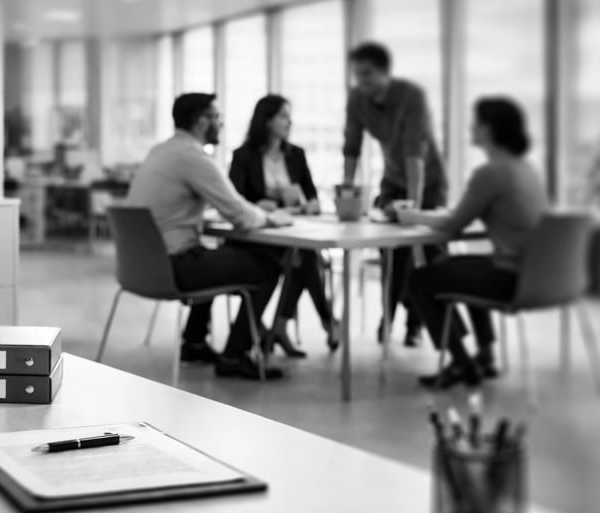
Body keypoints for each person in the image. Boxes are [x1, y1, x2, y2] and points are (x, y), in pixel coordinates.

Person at [126, 93, 289, 380]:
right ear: (202, 122)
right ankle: (234, 355)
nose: (221, 123)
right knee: (268, 264)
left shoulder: (161, 151)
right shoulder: (193, 157)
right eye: (217, 117)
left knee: (210, 252)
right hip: (175, 266)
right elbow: (239, 214)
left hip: (140, 268)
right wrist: (272, 218)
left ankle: (195, 342)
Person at [399, 97, 549, 389]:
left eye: (477, 123)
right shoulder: (525, 168)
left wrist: (409, 216)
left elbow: (453, 225)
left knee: (419, 279)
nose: (472, 127)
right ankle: (485, 354)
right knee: (456, 268)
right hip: (538, 275)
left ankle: (461, 363)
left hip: (511, 278)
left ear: (490, 129)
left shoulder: (491, 173)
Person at [341, 41, 449, 347]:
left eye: (368, 74)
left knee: (426, 255)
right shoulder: (357, 99)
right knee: (393, 254)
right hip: (392, 181)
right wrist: (347, 191)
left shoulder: (411, 96)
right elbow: (352, 145)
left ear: (385, 72)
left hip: (428, 182)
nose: (362, 82)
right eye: (357, 75)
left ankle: (416, 324)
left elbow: (416, 151)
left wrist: (413, 206)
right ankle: (388, 317)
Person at [229, 94, 341, 356]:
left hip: (293, 228)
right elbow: (234, 200)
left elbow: (312, 195)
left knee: (301, 255)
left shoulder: (296, 155)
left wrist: (311, 204)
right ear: (266, 120)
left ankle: (280, 326)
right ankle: (326, 321)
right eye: (283, 116)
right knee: (302, 259)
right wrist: (258, 205)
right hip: (258, 237)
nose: (289, 122)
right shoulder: (243, 156)